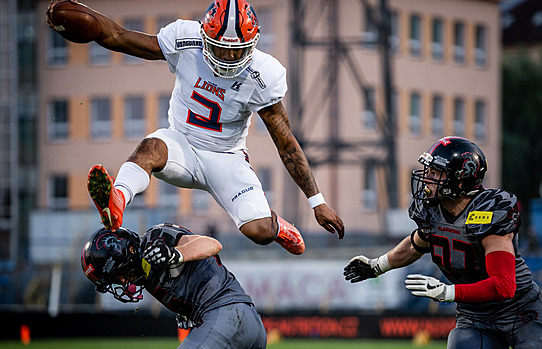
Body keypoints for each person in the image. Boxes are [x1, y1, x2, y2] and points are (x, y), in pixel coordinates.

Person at [46, 0, 345, 256]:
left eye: (237, 51)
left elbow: (286, 144)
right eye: (220, 48)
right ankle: (117, 202)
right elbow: (121, 37)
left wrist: (316, 202)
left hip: (226, 157)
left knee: (259, 231)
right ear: (204, 37)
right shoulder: (185, 39)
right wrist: (85, 15)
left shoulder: (263, 75)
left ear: (252, 46)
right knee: (148, 149)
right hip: (180, 144)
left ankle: (277, 225)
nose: (228, 57)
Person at [343, 136, 542, 349]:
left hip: (518, 310)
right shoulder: (433, 211)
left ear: (460, 178)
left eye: (436, 173)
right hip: (474, 315)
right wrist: (377, 266)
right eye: (428, 171)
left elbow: (504, 286)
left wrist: (447, 292)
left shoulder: (488, 211)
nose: (427, 178)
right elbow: (416, 244)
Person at [81, 222, 267, 349]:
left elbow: (212, 244)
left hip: (228, 315)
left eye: (118, 274)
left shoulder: (152, 240)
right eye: (115, 280)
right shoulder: (146, 274)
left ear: (128, 251)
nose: (122, 281)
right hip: (249, 326)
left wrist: (174, 254)